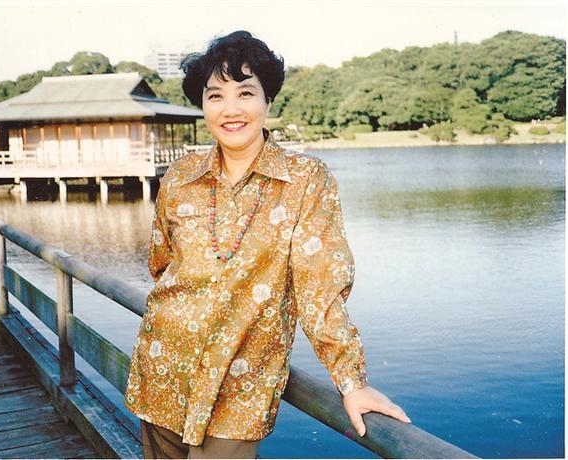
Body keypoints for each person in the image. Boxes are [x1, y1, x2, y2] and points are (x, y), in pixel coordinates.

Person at [124, 31, 411, 459]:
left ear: (267, 101)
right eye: (215, 96)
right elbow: (161, 264)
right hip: (163, 368)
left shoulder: (305, 181)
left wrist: (351, 382)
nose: (231, 109)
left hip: (241, 384)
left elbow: (320, 290)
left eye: (245, 92)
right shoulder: (180, 177)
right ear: (203, 106)